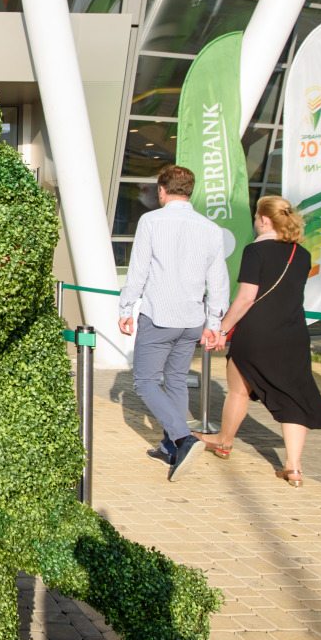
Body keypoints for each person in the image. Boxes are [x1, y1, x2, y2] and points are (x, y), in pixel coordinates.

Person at [190, 196, 321, 487]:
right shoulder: (302, 254)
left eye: (256, 216)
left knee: (239, 391)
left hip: (257, 332)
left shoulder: (255, 251)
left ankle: (223, 441)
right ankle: (293, 467)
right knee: (293, 396)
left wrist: (223, 328)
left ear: (264, 220)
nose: (256, 222)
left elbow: (246, 298)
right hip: (293, 334)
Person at [117, 164, 228, 481]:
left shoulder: (151, 221)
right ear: (189, 191)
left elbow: (138, 270)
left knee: (145, 381)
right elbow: (218, 280)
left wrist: (126, 307)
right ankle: (170, 448)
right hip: (192, 319)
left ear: (162, 190)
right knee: (177, 381)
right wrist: (215, 321)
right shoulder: (210, 228)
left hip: (160, 315)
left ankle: (184, 438)